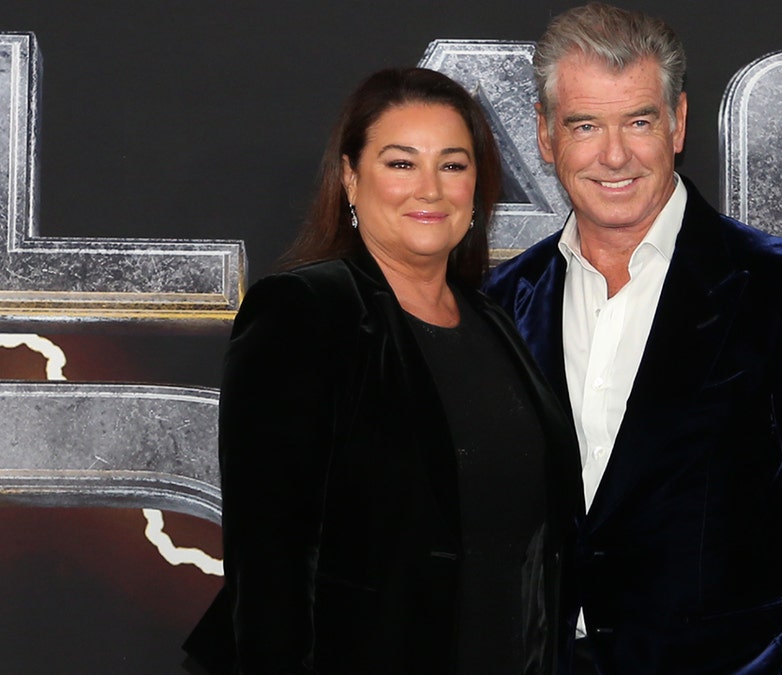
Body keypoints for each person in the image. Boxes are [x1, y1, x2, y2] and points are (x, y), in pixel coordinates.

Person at [483, 4, 782, 674]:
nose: (613, 155)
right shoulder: (501, 305)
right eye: (586, 125)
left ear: (677, 123)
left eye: (638, 121)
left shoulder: (777, 289)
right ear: (545, 134)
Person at [182, 67, 583, 675]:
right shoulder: (304, 312)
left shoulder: (493, 321)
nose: (430, 189)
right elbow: (269, 560)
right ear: (350, 177)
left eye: (453, 165)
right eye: (401, 164)